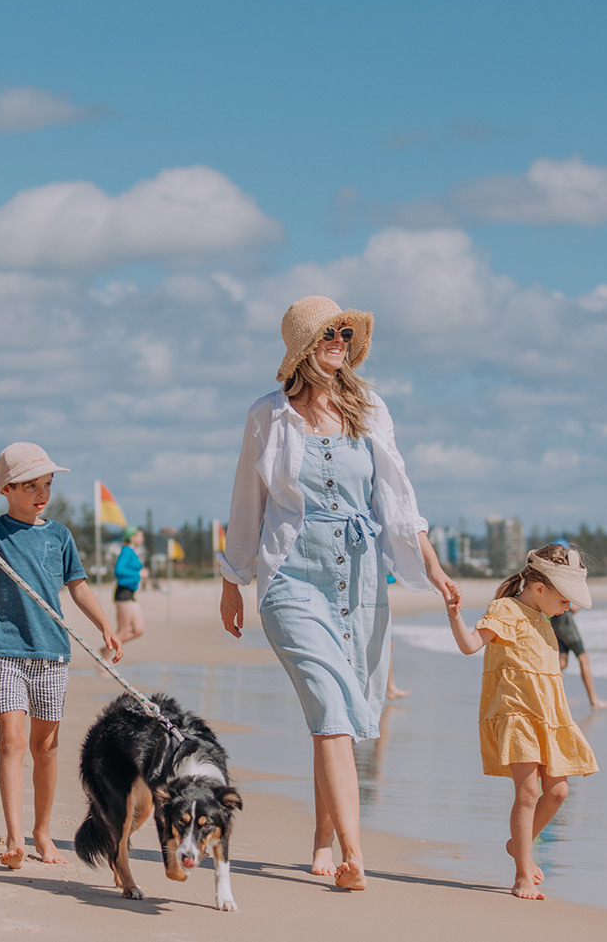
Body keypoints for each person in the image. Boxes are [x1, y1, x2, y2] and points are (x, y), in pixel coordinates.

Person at [217, 295, 458, 892]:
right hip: (289, 578)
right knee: (331, 709)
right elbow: (247, 504)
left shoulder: (369, 408)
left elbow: (401, 500)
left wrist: (434, 568)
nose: (341, 342)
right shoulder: (267, 416)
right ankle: (353, 853)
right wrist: (232, 579)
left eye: (347, 334)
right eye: (331, 333)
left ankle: (324, 841)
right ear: (305, 346)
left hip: (360, 579)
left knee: (342, 714)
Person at [0, 443, 122, 868]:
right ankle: (15, 838)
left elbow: (79, 586)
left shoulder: (59, 535)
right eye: (31, 485)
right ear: (6, 488)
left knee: (46, 747)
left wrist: (105, 625)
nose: (42, 493)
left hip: (52, 653)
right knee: (11, 742)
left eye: (47, 484)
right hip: (6, 651)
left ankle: (42, 832)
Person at [445, 543, 599, 900]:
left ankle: (519, 844)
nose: (569, 607)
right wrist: (455, 615)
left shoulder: (546, 622)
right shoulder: (506, 610)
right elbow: (470, 645)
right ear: (541, 588)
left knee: (558, 792)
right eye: (565, 599)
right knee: (528, 791)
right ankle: (522, 875)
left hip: (548, 718)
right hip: (516, 715)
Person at [551, 607, 607, 710]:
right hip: (566, 624)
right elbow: (574, 607)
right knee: (584, 659)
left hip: (556, 623)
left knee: (562, 663)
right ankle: (594, 701)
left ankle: (553, 696)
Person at [113, 526, 147, 643]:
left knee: (139, 630)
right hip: (123, 593)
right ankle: (103, 659)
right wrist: (139, 573)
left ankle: (106, 650)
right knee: (123, 631)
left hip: (130, 594)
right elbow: (118, 570)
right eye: (140, 536)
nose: (142, 539)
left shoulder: (131, 551)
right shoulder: (126, 550)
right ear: (132, 537)